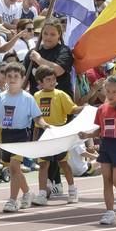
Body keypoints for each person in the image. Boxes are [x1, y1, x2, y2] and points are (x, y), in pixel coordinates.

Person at [78, 75, 116, 225]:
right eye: (108, 91)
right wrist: (87, 135)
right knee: (107, 180)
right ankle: (110, 212)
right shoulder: (101, 109)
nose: (111, 95)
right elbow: (100, 130)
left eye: (114, 91)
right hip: (106, 145)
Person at [0, 62, 47, 212]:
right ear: (5, 78)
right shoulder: (0, 98)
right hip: (4, 135)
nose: (12, 79)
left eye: (16, 76)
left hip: (21, 135)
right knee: (13, 169)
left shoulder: (27, 98)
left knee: (15, 167)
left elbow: (37, 118)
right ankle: (27, 193)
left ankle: (12, 200)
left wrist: (45, 124)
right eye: (9, 76)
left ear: (22, 79)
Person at [31, 65, 81, 206]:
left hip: (58, 132)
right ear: (40, 83)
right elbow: (36, 119)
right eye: (48, 80)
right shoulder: (36, 96)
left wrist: (86, 108)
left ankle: (72, 190)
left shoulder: (60, 94)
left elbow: (72, 109)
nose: (52, 82)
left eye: (53, 79)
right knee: (43, 164)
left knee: (63, 162)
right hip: (43, 133)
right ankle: (42, 193)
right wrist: (35, 139)